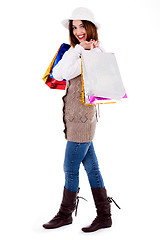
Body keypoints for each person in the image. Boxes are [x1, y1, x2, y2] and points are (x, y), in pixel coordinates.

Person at [43, 7, 117, 233]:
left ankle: (65, 214)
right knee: (91, 167)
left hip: (83, 119)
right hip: (74, 118)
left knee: (70, 167)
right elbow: (58, 73)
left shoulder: (96, 52)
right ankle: (104, 216)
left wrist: (83, 52)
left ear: (90, 26)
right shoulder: (77, 49)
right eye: (74, 27)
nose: (78, 31)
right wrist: (77, 50)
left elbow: (67, 72)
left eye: (82, 26)